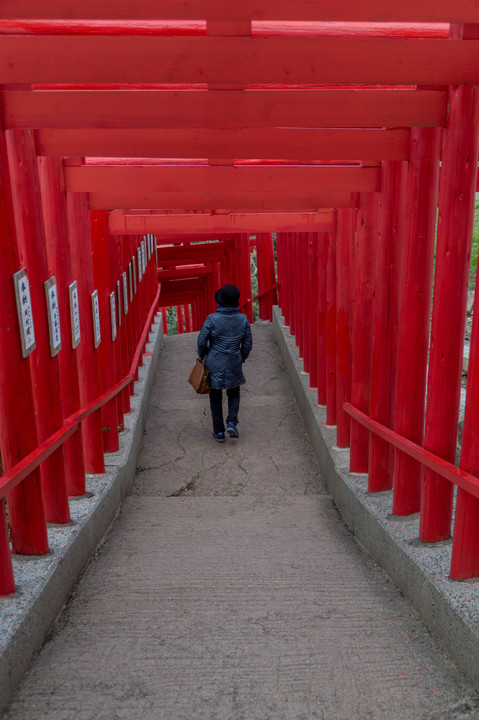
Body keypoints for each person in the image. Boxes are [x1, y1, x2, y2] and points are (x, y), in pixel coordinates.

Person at [197, 284, 253, 443]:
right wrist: (241, 356)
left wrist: (203, 354)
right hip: (234, 360)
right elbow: (248, 343)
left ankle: (219, 432)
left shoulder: (212, 318)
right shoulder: (242, 319)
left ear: (220, 301)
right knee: (234, 393)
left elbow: (202, 340)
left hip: (214, 360)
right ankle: (231, 422)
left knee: (215, 397)